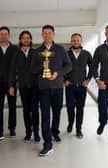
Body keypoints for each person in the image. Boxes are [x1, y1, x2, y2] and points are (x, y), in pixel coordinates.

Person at [31, 25, 72, 156]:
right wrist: (42, 68)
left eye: (49, 33)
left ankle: (55, 131)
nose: (47, 35)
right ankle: (47, 144)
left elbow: (68, 66)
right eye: (44, 33)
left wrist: (58, 73)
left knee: (57, 112)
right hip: (43, 88)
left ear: (53, 34)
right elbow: (33, 69)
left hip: (58, 87)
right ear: (42, 35)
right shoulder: (37, 51)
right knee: (45, 116)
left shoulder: (60, 49)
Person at [9, 31, 40, 142]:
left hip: (35, 86)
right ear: (20, 40)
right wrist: (11, 85)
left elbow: (40, 69)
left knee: (35, 110)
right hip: (22, 87)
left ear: (30, 40)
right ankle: (28, 132)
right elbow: (12, 71)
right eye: (23, 38)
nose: (25, 40)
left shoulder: (36, 52)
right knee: (26, 110)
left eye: (27, 38)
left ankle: (36, 132)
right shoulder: (16, 54)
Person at [64, 33, 93, 138]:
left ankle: (78, 128)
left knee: (80, 108)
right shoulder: (66, 54)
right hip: (70, 86)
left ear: (81, 41)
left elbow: (92, 68)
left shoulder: (86, 54)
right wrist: (64, 80)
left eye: (78, 40)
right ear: (71, 42)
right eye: (74, 40)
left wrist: (88, 80)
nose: (76, 42)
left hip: (82, 86)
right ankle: (71, 122)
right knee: (70, 107)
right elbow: (61, 67)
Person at [0, 26, 18, 140]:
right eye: (1, 34)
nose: (3, 36)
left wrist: (14, 82)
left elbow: (17, 67)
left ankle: (12, 129)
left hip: (11, 84)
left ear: (9, 35)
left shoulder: (15, 49)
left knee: (12, 107)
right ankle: (0, 131)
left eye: (5, 34)